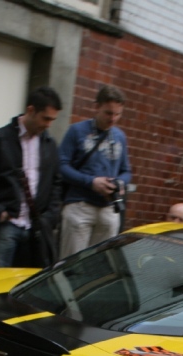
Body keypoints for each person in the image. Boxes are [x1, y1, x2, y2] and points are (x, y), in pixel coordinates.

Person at [0, 86, 63, 268]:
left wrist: (49, 217)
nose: (48, 125)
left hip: (37, 228)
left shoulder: (49, 143)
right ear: (31, 110)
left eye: (52, 120)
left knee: (29, 285)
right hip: (7, 225)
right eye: (45, 118)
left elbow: (57, 183)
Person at [58, 85, 132, 258]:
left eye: (117, 114)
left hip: (108, 209)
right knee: (71, 264)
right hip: (80, 205)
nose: (112, 119)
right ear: (97, 107)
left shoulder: (120, 136)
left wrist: (119, 184)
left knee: (102, 265)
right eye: (108, 113)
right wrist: (91, 182)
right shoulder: (76, 131)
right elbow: (61, 166)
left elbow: (126, 171)